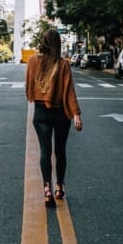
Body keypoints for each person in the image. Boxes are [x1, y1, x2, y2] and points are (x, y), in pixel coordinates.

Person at [25, 29, 83, 207]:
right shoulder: (63, 63)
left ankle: (47, 189)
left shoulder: (33, 61)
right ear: (58, 44)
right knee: (60, 151)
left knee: (45, 151)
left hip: (41, 112)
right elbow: (69, 90)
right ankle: (59, 187)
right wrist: (76, 114)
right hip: (60, 113)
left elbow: (28, 89)